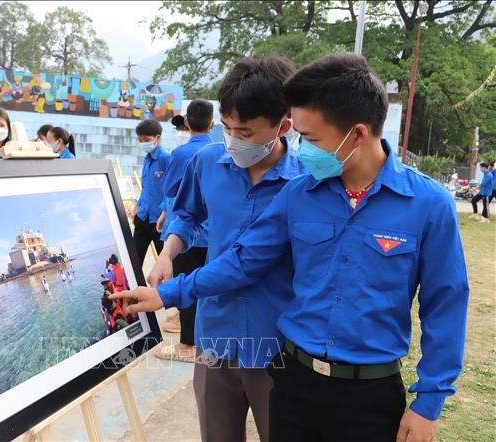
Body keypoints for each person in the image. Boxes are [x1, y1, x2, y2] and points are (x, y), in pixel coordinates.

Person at [113, 53, 470, 442]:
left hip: (363, 388)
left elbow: (445, 304)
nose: (304, 147)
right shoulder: (300, 195)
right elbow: (243, 259)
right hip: (292, 378)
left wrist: (428, 401)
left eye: (311, 139)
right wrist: (167, 291)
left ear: (358, 134)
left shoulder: (427, 205)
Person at [133, 56, 304, 441]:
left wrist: (167, 293)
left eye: (245, 132)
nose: (233, 141)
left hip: (276, 344)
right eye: (226, 128)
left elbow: (245, 263)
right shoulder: (209, 161)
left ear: (284, 127)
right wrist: (167, 253)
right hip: (215, 336)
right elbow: (188, 214)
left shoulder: (304, 184)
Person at [154, 100, 216, 360]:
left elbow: (170, 189)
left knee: (186, 286)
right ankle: (204, 340)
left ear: (187, 123)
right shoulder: (219, 150)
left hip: (187, 234)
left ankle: (187, 344)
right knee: (208, 288)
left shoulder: (180, 154)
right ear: (213, 124)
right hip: (213, 233)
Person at [133, 119, 171, 267]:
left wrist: (165, 211)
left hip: (159, 221)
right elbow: (146, 187)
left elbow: (172, 191)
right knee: (134, 259)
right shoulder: (146, 159)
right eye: (140, 140)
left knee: (162, 264)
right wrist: (138, 205)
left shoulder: (166, 159)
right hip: (143, 217)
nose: (143, 143)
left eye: (147, 140)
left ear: (158, 137)